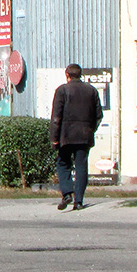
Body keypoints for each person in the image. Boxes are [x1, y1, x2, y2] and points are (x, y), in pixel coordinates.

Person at [50, 63, 103, 211]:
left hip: (66, 136)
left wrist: (54, 138)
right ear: (80, 75)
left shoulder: (62, 91)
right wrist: (90, 129)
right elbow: (99, 115)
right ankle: (78, 202)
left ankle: (67, 193)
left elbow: (56, 117)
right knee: (81, 167)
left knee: (62, 164)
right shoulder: (91, 91)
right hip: (84, 136)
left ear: (67, 75)